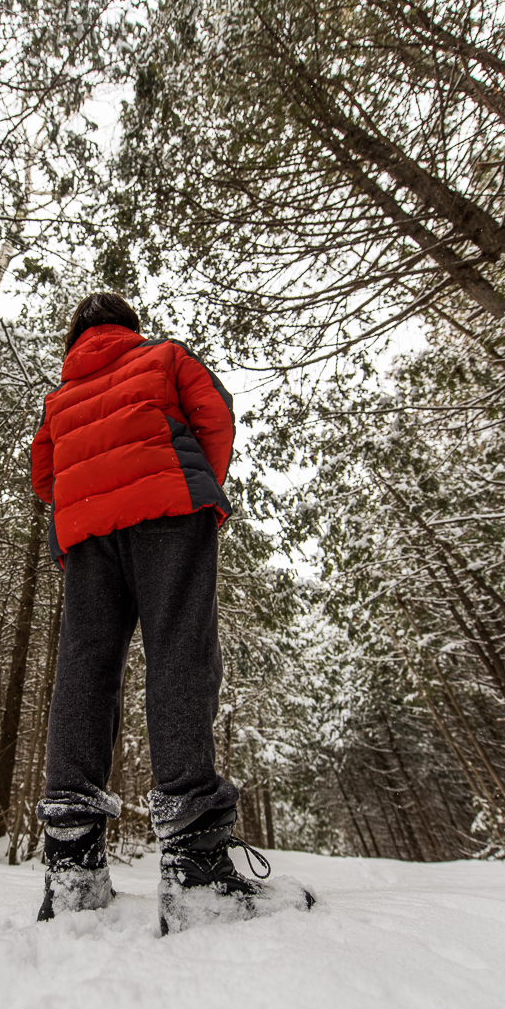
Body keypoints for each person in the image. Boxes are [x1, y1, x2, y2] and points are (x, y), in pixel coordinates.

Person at [30, 292, 313, 932]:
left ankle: (72, 866)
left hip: (86, 536)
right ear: (127, 328)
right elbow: (215, 415)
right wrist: (193, 482)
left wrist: (87, 497)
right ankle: (196, 866)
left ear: (76, 339)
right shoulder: (164, 355)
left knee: (85, 670)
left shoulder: (59, 400)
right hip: (169, 508)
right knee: (180, 652)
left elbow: (44, 475)